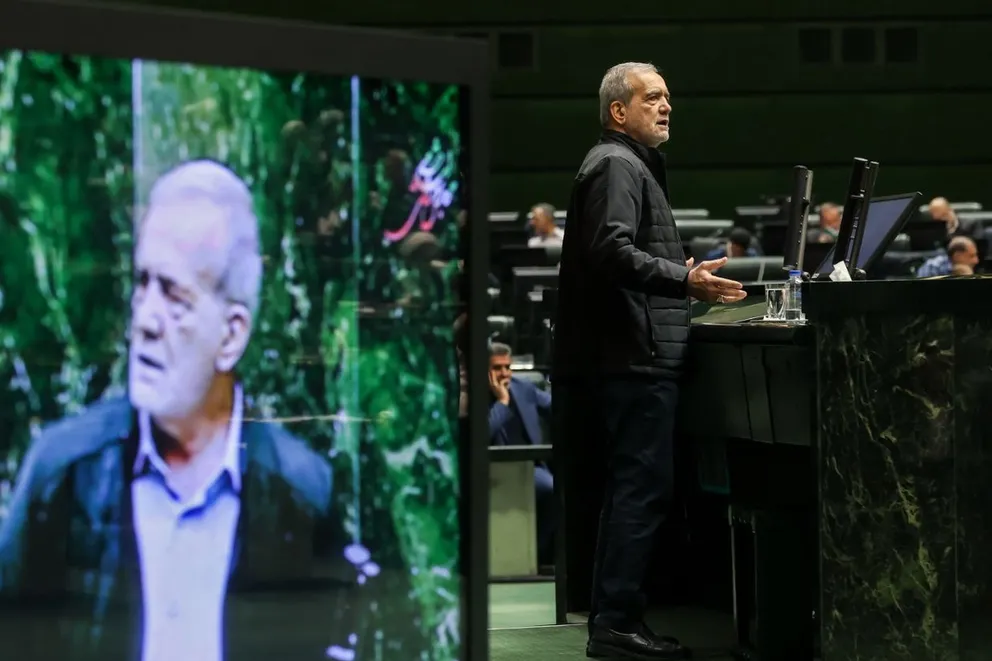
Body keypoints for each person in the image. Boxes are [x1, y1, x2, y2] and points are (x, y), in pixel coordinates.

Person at [0, 161, 358, 661]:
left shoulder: (301, 493)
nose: (145, 320)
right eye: (142, 283)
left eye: (174, 296)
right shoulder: (61, 471)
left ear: (231, 335)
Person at [553, 62, 745, 660]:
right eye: (653, 98)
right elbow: (611, 251)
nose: (667, 107)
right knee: (639, 491)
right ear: (619, 110)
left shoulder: (625, 163)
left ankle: (614, 621)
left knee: (633, 491)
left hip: (633, 352)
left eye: (668, 98)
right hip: (632, 356)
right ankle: (615, 623)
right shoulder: (616, 163)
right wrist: (683, 280)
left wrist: (676, 276)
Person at [487, 342, 555, 565]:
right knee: (550, 488)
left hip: (531, 466)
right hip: (495, 468)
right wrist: (502, 402)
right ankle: (536, 556)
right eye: (497, 368)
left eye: (507, 367)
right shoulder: (473, 395)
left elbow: (555, 406)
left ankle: (542, 555)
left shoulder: (523, 388)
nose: (504, 374)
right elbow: (483, 433)